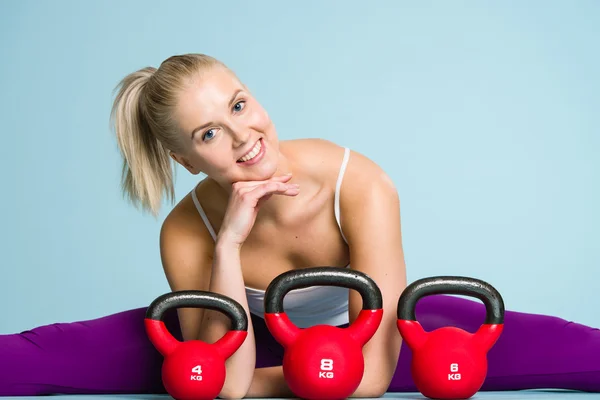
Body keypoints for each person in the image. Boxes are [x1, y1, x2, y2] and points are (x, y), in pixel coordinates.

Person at [2, 53, 599, 398]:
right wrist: (230, 243)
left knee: (577, 351)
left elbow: (369, 381)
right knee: (41, 358)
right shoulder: (186, 231)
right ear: (186, 161)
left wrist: (293, 371)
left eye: (238, 105)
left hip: (372, 341)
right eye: (209, 133)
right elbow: (224, 387)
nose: (243, 137)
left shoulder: (359, 183)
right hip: (264, 345)